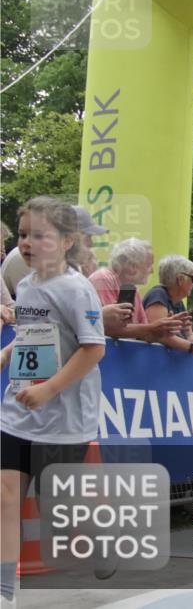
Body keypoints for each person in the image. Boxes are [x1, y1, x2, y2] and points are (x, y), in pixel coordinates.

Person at [1, 197, 108, 603]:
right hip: (17, 413)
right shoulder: (25, 286)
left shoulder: (76, 289)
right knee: (6, 495)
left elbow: (93, 349)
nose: (27, 243)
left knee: (57, 512)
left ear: (66, 242)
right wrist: (8, 354)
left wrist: (49, 389)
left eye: (39, 236)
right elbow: (32, 334)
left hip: (63, 419)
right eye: (23, 234)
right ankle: (5, 588)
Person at [89, 238, 187, 343]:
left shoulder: (132, 289)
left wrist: (163, 331)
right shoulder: (103, 278)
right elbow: (111, 328)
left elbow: (144, 334)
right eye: (149, 265)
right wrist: (152, 328)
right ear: (132, 266)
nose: (152, 271)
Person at [143, 254, 193, 355]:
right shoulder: (158, 295)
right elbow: (160, 335)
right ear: (180, 279)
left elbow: (189, 335)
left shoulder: (178, 302)